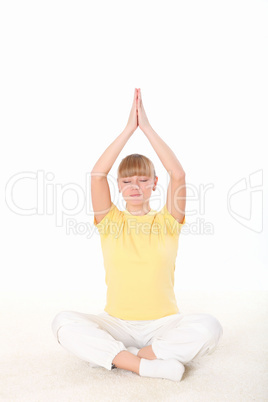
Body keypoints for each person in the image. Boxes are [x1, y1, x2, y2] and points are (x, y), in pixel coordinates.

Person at [51, 88, 223, 382]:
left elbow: (178, 174)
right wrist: (128, 129)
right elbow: (96, 175)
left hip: (163, 324)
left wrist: (148, 128)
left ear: (155, 183)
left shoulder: (168, 221)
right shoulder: (110, 220)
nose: (135, 186)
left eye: (143, 179)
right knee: (62, 323)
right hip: (116, 322)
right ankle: (147, 364)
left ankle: (123, 357)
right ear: (118, 185)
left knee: (210, 326)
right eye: (127, 180)